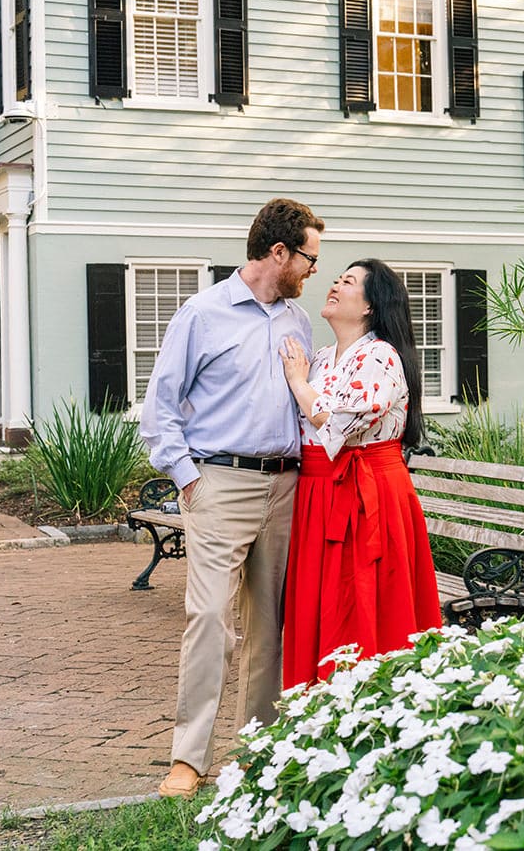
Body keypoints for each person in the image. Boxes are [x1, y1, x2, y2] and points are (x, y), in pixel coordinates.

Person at [139, 198, 324, 799]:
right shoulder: (203, 313)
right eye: (309, 257)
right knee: (211, 619)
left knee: (269, 627)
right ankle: (188, 760)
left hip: (286, 485)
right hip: (218, 482)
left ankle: (258, 753)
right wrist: (189, 478)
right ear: (279, 253)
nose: (313, 270)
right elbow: (160, 409)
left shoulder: (298, 322)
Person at [279, 258, 442, 687]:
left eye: (348, 281)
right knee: (321, 602)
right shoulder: (319, 358)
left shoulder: (381, 356)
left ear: (371, 304)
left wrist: (298, 383)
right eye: (336, 279)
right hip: (316, 493)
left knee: (364, 599)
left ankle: (373, 700)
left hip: (368, 493)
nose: (334, 285)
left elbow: (340, 422)